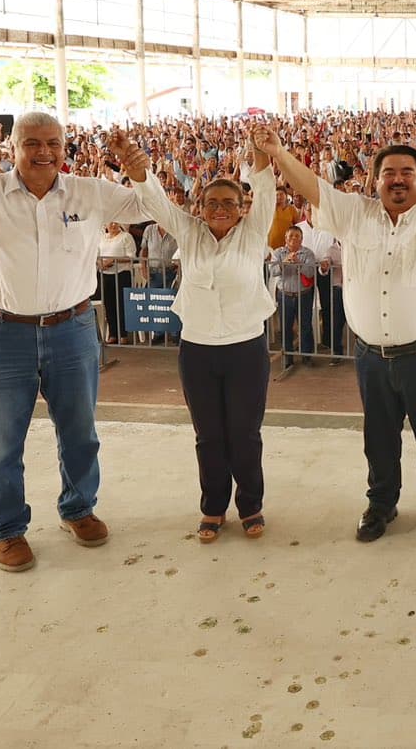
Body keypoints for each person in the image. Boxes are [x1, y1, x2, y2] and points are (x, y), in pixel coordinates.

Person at [0, 112, 154, 573]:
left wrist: (137, 170)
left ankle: (78, 508)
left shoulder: (89, 191)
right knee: (2, 443)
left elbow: (148, 207)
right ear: (12, 148)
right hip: (3, 334)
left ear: (66, 147)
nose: (44, 152)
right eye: (32, 143)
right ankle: (7, 529)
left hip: (72, 330)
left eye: (53, 143)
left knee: (80, 432)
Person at [264, 96, 416, 546]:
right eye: (389, 173)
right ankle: (381, 504)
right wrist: (279, 154)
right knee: (378, 439)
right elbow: (314, 187)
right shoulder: (355, 214)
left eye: (407, 173)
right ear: (374, 180)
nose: (398, 180)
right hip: (371, 356)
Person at [113, 128, 277, 542]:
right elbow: (156, 202)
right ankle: (213, 507)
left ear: (243, 209)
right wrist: (139, 172)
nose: (220, 209)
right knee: (208, 434)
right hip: (199, 350)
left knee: (244, 431)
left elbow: (264, 185)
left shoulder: (254, 232)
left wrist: (259, 152)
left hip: (245, 349)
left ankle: (251, 504)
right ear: (200, 207)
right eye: (212, 203)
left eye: (229, 203)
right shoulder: (187, 231)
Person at [271, 226, 321, 366]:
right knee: (285, 327)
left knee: (305, 325)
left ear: (301, 238)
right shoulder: (278, 253)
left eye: (297, 236)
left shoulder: (308, 253)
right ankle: (288, 356)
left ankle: (307, 356)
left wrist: (299, 263)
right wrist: (284, 263)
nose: (293, 238)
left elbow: (311, 273)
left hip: (303, 294)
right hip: (284, 295)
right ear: (285, 239)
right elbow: (273, 271)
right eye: (290, 236)